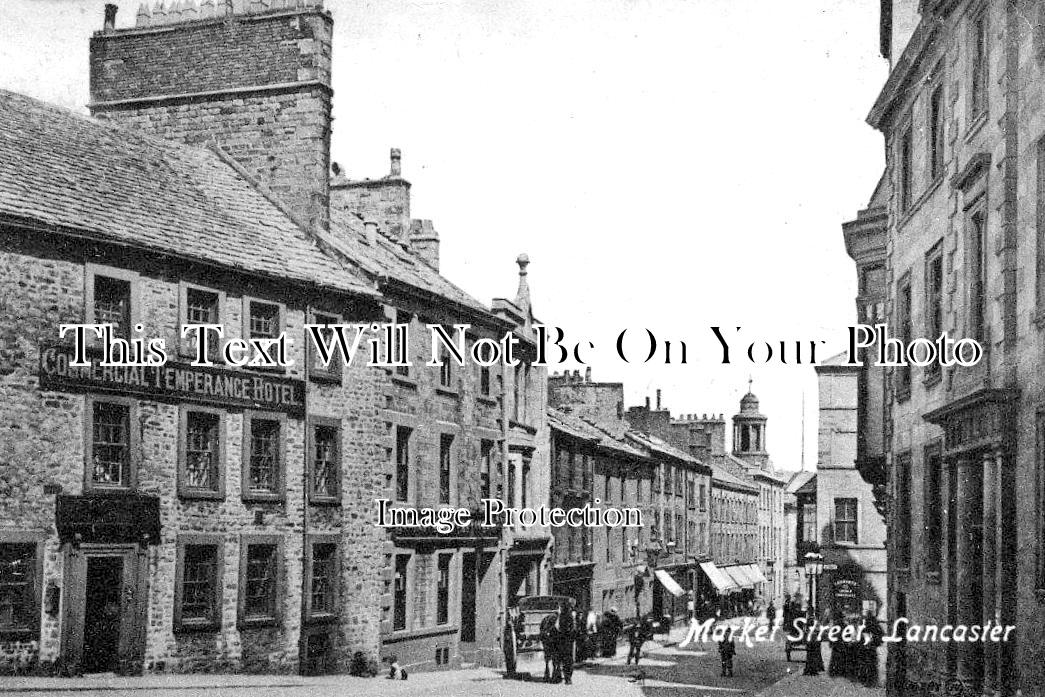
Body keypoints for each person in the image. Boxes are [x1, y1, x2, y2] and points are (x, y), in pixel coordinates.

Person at [857, 610, 883, 687]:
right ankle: (871, 680)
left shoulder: (865, 624)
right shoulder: (875, 624)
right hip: (871, 647)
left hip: (866, 647)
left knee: (865, 664)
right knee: (872, 664)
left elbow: (861, 636)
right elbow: (880, 635)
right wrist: (875, 642)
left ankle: (865, 679)